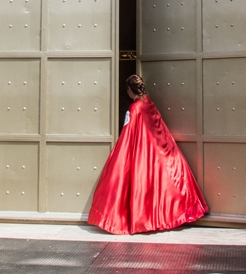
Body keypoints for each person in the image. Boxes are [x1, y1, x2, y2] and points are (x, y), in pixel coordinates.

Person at [87, 74, 209, 234]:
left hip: (141, 150)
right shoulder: (149, 104)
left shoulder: (134, 108)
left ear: (130, 90)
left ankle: (142, 220)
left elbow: (128, 131)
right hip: (158, 150)